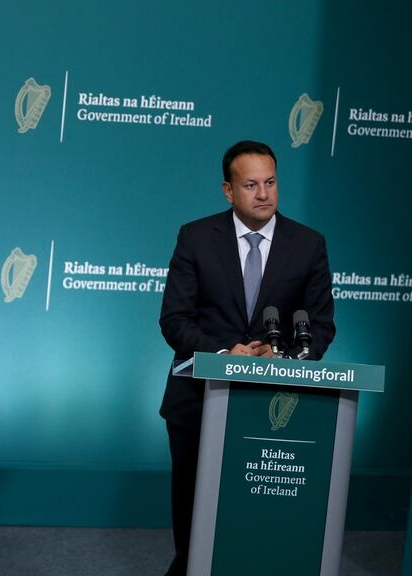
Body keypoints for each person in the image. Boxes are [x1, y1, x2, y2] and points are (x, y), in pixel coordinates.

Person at [158, 140, 335, 575]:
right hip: (198, 402)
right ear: (228, 190)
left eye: (270, 182)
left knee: (257, 525)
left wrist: (285, 356)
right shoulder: (196, 237)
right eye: (251, 185)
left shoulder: (308, 244)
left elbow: (320, 325)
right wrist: (224, 356)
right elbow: (175, 320)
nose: (263, 194)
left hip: (272, 407)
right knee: (195, 522)